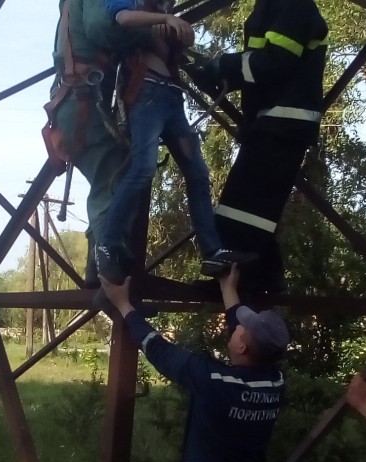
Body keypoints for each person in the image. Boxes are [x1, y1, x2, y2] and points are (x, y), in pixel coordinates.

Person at [100, 264, 288, 462]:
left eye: (238, 330)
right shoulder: (275, 383)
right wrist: (228, 289)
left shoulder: (214, 383)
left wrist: (124, 305)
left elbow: (159, 349)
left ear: (242, 346)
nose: (232, 328)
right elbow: (244, 335)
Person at [94, 0, 256, 285]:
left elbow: (186, 37)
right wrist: (165, 22)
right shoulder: (135, 6)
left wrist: (176, 26)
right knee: (143, 168)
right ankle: (106, 244)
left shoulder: (162, 12)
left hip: (170, 95)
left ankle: (212, 250)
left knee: (197, 173)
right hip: (146, 91)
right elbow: (120, 17)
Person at [190, 0, 329, 294]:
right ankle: (264, 278)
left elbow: (277, 62)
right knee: (250, 208)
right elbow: (259, 65)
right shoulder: (268, 7)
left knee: (241, 210)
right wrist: (223, 75)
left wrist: (222, 67)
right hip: (271, 122)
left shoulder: (293, 6)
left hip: (285, 122)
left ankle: (241, 282)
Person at [44, 0, 160, 288]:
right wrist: (152, 31)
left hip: (74, 101)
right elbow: (101, 29)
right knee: (115, 177)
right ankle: (109, 268)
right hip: (81, 100)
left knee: (111, 175)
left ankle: (100, 267)